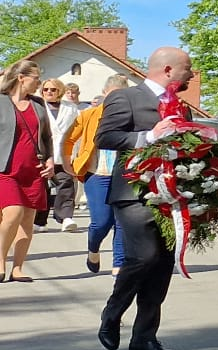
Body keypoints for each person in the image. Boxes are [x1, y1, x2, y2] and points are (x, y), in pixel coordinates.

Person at [97, 47, 207, 350]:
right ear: (168, 70)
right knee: (144, 256)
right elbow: (105, 137)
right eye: (187, 68)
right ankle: (113, 312)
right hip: (134, 192)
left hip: (172, 194)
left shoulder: (181, 106)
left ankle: (144, 338)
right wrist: (147, 136)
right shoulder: (126, 98)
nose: (191, 73)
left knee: (161, 264)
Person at [67, 75, 131, 275]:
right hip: (97, 173)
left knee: (122, 222)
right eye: (112, 95)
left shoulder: (131, 115)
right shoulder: (90, 114)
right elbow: (68, 139)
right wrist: (68, 163)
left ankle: (118, 264)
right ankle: (93, 249)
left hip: (123, 175)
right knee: (102, 221)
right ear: (104, 93)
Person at [0, 59, 53, 283]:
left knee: (27, 220)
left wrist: (50, 160)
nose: (39, 83)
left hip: (34, 170)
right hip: (6, 169)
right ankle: (0, 261)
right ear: (21, 78)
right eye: (36, 78)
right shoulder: (1, 101)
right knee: (13, 213)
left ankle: (18, 268)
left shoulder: (38, 104)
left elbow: (46, 137)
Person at [32, 78, 79, 230]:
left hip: (64, 154)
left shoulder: (71, 108)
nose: (49, 92)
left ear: (60, 91)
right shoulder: (37, 106)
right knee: (42, 187)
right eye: (46, 89)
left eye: (53, 89)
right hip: (43, 153)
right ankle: (39, 221)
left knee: (66, 185)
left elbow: (77, 132)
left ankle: (65, 218)